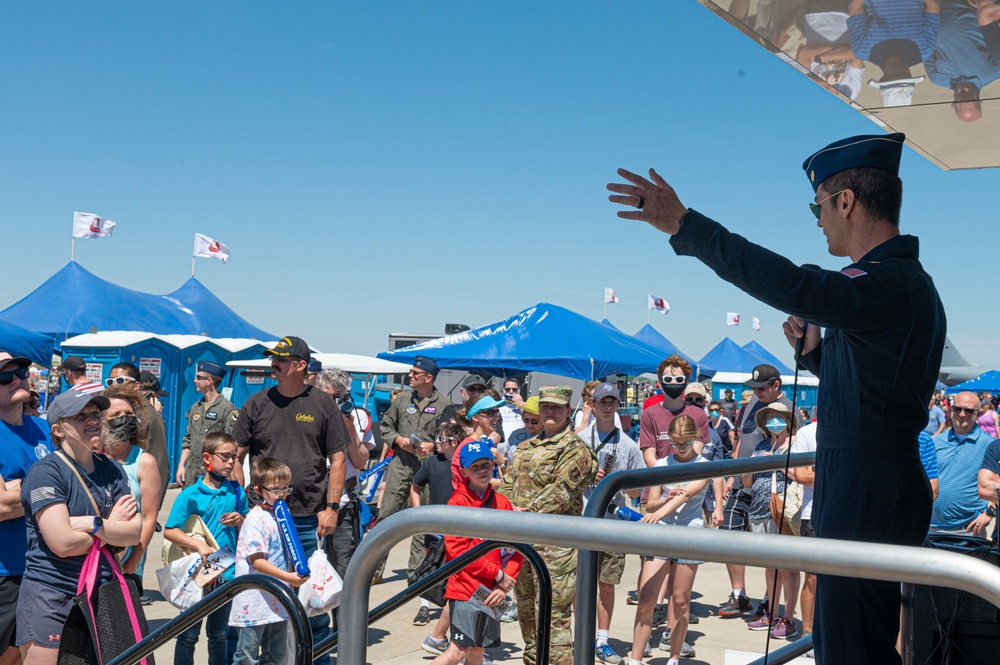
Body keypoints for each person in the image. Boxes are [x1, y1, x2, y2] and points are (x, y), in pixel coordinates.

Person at [609, 131, 946, 664]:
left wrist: (685, 225)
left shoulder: (886, 283)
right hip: (869, 479)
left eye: (817, 205)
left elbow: (791, 283)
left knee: (853, 648)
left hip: (866, 486)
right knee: (848, 640)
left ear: (845, 201)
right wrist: (815, 357)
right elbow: (874, 391)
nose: (816, 220)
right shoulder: (900, 283)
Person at [233, 336, 349, 664]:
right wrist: (245, 500)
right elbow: (235, 456)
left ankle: (318, 660)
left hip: (309, 518)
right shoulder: (255, 404)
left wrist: (332, 508)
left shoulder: (323, 404)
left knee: (314, 601)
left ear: (300, 365)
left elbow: (337, 460)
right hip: (266, 521)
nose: (274, 363)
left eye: (281, 359)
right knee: (262, 601)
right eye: (273, 357)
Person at [16, 390, 140, 665]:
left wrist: (92, 524)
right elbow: (63, 543)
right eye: (81, 416)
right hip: (54, 595)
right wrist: (110, 531)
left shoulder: (111, 469)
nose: (92, 420)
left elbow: (134, 532)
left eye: (96, 413)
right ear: (58, 429)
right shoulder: (45, 472)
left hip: (103, 594)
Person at [500, 385, 598, 665]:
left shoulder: (574, 448)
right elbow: (508, 484)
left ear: (569, 411)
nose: (550, 412)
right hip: (522, 544)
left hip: (556, 550)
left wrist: (521, 513)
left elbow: (560, 493)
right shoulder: (526, 447)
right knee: (528, 615)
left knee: (553, 618)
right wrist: (507, 510)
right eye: (545, 407)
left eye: (557, 407)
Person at [430, 441, 523, 665]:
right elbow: (459, 553)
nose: (482, 470)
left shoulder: (502, 503)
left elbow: (517, 548)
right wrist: (498, 576)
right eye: (475, 467)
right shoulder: (457, 503)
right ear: (463, 472)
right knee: (458, 652)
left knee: (478, 653)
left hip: (492, 593)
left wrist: (503, 584)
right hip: (464, 590)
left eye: (486, 464)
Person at [718, 365, 796, 619]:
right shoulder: (752, 404)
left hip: (769, 489)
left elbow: (794, 446)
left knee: (770, 553)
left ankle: (767, 600)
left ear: (776, 385)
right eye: (754, 388)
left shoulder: (788, 409)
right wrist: (733, 473)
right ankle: (739, 594)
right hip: (743, 481)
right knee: (730, 538)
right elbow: (742, 438)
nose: (757, 392)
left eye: (762, 388)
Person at [631, 415, 710, 665]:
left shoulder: (704, 465)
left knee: (680, 600)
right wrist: (662, 503)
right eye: (676, 443)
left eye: (686, 443)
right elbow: (650, 504)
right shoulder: (663, 464)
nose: (681, 448)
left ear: (695, 438)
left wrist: (657, 514)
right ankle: (635, 659)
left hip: (689, 531)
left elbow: (688, 494)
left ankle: (674, 658)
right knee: (646, 600)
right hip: (662, 530)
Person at [165, 432, 247, 665]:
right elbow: (171, 530)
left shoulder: (236, 491)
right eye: (225, 456)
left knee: (219, 633)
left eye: (234, 457)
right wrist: (198, 544)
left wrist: (240, 520)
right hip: (198, 571)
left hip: (225, 568)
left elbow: (248, 522)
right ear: (207, 458)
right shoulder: (190, 494)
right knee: (189, 633)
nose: (231, 462)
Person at [578, 382, 644, 665]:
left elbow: (636, 492)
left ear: (618, 406)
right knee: (578, 584)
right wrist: (588, 477)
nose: (607, 406)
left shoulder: (628, 445)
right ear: (592, 405)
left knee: (606, 584)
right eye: (602, 401)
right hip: (581, 523)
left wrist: (617, 483)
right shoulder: (579, 439)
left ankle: (602, 640)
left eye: (612, 402)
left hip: (612, 523)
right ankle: (579, 635)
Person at [375, 356, 451, 583]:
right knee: (386, 517)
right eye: (411, 372)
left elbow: (451, 438)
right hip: (401, 466)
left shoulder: (444, 405)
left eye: (415, 373)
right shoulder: (401, 400)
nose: (410, 376)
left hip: (427, 470)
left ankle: (415, 575)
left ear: (429, 378)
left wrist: (433, 446)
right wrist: (398, 439)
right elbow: (386, 427)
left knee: (422, 521)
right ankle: (374, 571)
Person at [0, 353, 54, 665]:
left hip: (45, 568)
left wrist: (17, 486)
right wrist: (51, 487)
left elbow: (77, 484)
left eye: (21, 371)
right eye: (5, 377)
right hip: (6, 571)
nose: (18, 379)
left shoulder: (45, 429)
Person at [229, 457, 308, 665]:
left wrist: (293, 576)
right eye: (275, 490)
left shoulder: (282, 513)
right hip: (254, 600)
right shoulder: (256, 519)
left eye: (285, 489)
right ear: (258, 490)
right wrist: (288, 577)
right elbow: (258, 562)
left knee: (276, 655)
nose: (281, 494)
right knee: (247, 656)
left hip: (278, 597)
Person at [742, 403, 800, 639]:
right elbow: (747, 482)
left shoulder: (796, 444)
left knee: (788, 567)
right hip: (759, 510)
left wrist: (777, 463)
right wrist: (753, 465)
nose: (773, 420)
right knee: (770, 567)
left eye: (778, 416)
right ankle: (772, 613)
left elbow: (802, 474)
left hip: (784, 511)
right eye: (769, 417)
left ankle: (788, 618)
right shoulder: (761, 445)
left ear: (787, 420)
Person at [314, 368, 375, 585]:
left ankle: (343, 620)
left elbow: (360, 461)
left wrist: (349, 425)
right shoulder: (310, 412)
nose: (332, 402)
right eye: (327, 397)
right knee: (313, 569)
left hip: (343, 503)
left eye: (336, 397)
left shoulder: (357, 416)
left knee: (343, 571)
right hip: (312, 501)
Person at [101, 384, 162, 593]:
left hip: (127, 562)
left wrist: (135, 559)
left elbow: (148, 518)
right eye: (116, 414)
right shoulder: (91, 457)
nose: (123, 418)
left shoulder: (144, 462)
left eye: (128, 413)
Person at [416, 423, 465, 656]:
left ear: (453, 442)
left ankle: (442, 635)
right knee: (431, 570)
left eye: (440, 438)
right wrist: (418, 515)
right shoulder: (431, 463)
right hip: (435, 529)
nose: (436, 441)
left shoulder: (464, 464)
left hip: (457, 529)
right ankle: (424, 607)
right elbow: (414, 486)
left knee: (454, 581)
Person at [931, 391, 995, 537]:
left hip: (969, 530)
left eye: (968, 410)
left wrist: (990, 513)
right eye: (957, 409)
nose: (961, 414)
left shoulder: (989, 445)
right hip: (932, 528)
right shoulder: (935, 442)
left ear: (977, 414)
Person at [107, 362, 169, 504]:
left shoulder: (149, 416)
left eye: (121, 380)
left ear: (136, 385)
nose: (115, 385)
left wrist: (153, 507)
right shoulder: (104, 409)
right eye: (110, 381)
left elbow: (160, 462)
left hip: (136, 494)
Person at [177, 361, 238, 488]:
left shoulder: (227, 409)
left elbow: (230, 445)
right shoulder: (196, 408)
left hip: (212, 476)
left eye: (199, 377)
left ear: (209, 381)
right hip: (192, 475)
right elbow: (188, 440)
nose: (195, 380)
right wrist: (181, 465)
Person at [788, 420, 818, 643]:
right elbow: (801, 475)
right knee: (813, 577)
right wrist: (840, 474)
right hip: (813, 513)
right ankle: (807, 633)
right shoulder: (807, 433)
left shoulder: (853, 432)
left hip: (846, 515)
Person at [501, 396, 541, 463]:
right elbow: (504, 459)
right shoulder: (515, 434)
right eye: (526, 420)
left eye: (534, 421)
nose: (529, 424)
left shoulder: (550, 437)